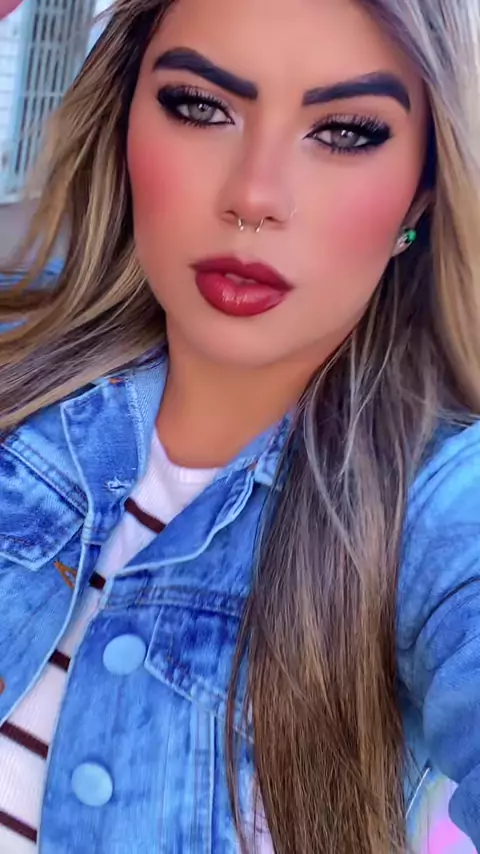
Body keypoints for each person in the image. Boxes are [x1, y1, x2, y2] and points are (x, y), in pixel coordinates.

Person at [0, 0, 480, 851]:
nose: (254, 197)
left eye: (346, 132)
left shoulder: (440, 509)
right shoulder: (19, 359)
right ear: (124, 123)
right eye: (200, 107)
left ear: (423, 191)